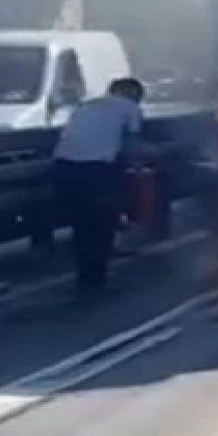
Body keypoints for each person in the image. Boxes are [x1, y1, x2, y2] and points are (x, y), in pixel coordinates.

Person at [52, 77, 146, 292]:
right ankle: (96, 277)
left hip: (64, 168)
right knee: (103, 224)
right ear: (134, 95)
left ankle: (84, 273)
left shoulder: (86, 106)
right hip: (97, 170)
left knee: (81, 224)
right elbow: (132, 145)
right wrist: (139, 168)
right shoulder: (129, 108)